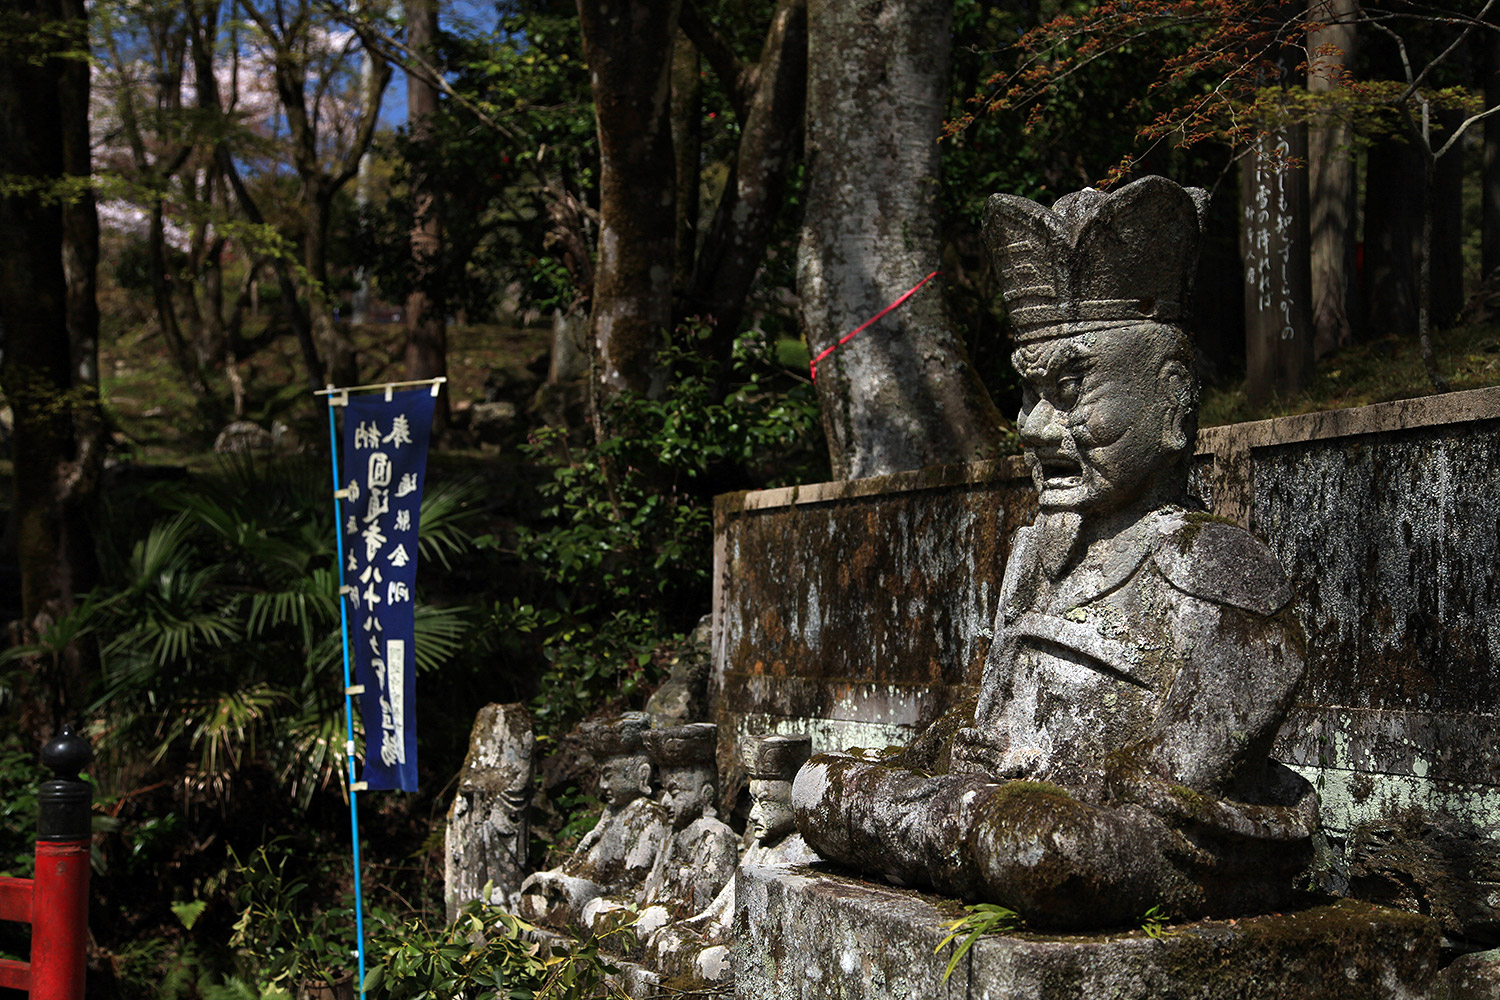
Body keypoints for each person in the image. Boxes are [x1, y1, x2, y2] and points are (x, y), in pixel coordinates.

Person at [792, 176, 1318, 930]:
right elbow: (996, 724)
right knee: (816, 787)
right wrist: (969, 754)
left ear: (1171, 401)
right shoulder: (1036, 552)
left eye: (1071, 393)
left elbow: (1165, 803)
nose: (1037, 427)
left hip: (1113, 842)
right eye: (1030, 395)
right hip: (1001, 817)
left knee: (1047, 848)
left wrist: (1028, 791)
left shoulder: (1222, 572)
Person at [646, 734, 820, 982]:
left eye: (766, 803)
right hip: (724, 936)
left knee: (712, 962)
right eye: (753, 801)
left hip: (753, 950)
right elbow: (721, 904)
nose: (753, 815)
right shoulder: (759, 848)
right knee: (664, 936)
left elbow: (771, 933)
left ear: (795, 801)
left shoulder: (803, 854)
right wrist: (696, 924)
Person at [516, 713, 668, 928]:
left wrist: (589, 889)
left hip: (607, 896)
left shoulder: (649, 815)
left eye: (608, 776)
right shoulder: (611, 814)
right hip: (584, 887)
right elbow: (582, 865)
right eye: (600, 777)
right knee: (532, 897)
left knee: (597, 915)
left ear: (642, 775)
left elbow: (636, 877)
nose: (602, 786)